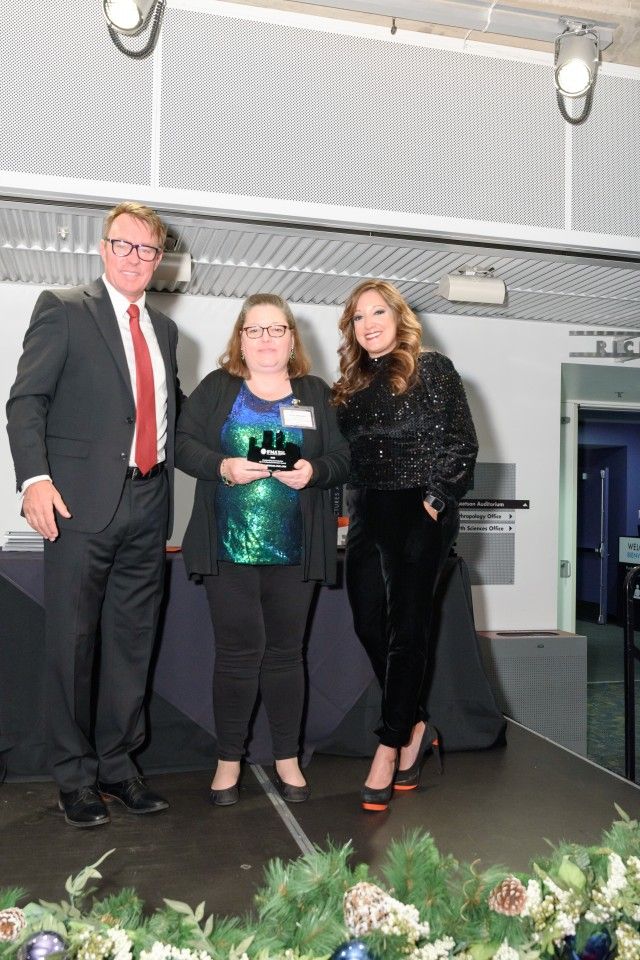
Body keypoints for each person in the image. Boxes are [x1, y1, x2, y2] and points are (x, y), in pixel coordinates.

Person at [6, 201, 181, 827]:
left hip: (149, 502)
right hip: (79, 506)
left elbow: (167, 418)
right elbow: (26, 401)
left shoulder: (164, 331)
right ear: (104, 248)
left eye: (149, 250)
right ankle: (74, 776)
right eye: (125, 245)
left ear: (160, 260)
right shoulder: (63, 307)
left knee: (133, 644)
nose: (137, 258)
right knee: (72, 645)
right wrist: (34, 478)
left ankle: (118, 766)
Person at [175, 293, 349, 805]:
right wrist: (223, 466)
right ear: (241, 339)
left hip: (295, 553)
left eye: (276, 330)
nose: (266, 339)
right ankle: (229, 760)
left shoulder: (316, 393)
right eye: (255, 330)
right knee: (234, 657)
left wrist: (314, 472)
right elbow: (183, 444)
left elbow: (343, 457)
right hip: (228, 550)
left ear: (292, 339)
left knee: (286, 658)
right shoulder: (219, 388)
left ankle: (286, 758)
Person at [332, 279, 478, 812]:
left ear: (398, 318)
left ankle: (389, 746)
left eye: (378, 312)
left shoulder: (432, 368)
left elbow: (462, 441)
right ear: (350, 329)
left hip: (420, 511)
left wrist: (437, 500)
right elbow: (342, 461)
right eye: (358, 317)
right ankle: (416, 725)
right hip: (369, 509)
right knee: (367, 620)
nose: (368, 323)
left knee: (407, 629)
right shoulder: (346, 387)